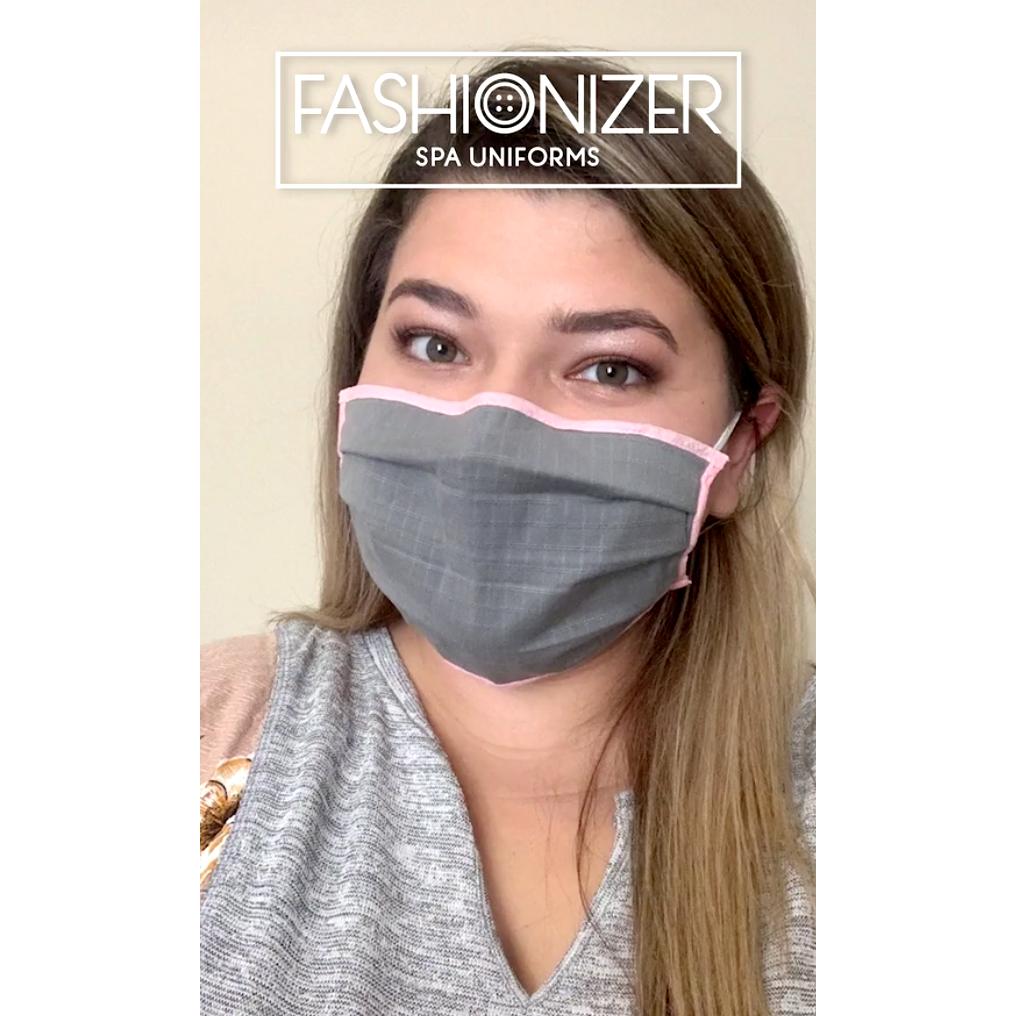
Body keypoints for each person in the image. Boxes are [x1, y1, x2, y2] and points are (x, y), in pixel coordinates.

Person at [200, 50, 816, 1016]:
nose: (490, 436)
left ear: (740, 447)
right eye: (436, 344)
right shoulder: (202, 732)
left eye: (609, 368)